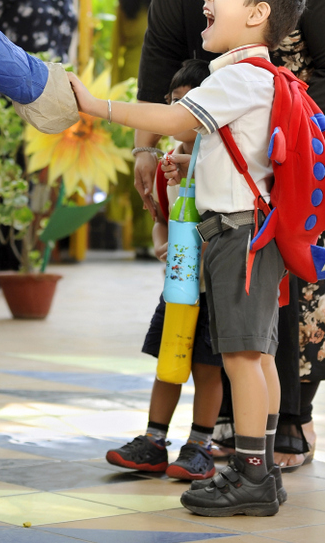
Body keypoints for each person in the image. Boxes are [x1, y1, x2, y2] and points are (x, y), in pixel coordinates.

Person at [133, 0, 325, 468]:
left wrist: (286, 132)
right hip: (210, 123)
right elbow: (162, 45)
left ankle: (292, 419)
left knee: (292, 277)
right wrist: (147, 143)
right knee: (216, 271)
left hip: (305, 130)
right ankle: (224, 421)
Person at [70, 0, 307, 517]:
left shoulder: (240, 76)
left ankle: (250, 473)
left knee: (244, 357)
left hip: (239, 233)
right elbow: (227, 147)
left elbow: (180, 119)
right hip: (250, 229)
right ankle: (263, 468)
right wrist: (187, 165)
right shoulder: (256, 77)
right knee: (259, 355)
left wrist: (95, 105)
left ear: (257, 14)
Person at [106, 59, 224, 482]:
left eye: (187, 104)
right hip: (178, 288)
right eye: (172, 103)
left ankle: (200, 444)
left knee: (208, 368)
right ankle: (154, 441)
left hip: (216, 290)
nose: (176, 113)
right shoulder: (167, 166)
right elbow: (161, 217)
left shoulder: (223, 163)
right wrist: (161, 243)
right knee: (167, 362)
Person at [109, 0, 171, 257]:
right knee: (161, 156)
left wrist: (116, 86)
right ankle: (157, 234)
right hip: (160, 79)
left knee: (137, 157)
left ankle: (139, 240)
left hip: (128, 82)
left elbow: (116, 43)